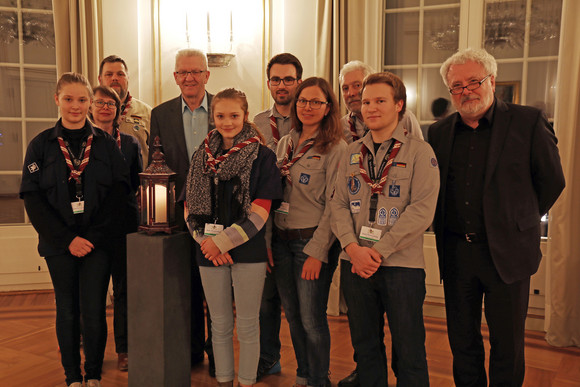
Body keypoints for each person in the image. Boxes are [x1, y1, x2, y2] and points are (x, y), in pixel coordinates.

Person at [428, 48, 565, 386]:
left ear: (492, 81)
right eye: (456, 86)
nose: (466, 91)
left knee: (507, 345)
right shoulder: (438, 132)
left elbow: (552, 180)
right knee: (463, 342)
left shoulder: (527, 122)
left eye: (473, 81)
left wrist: (519, 221)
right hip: (458, 254)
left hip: (509, 253)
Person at [19, 73, 130, 387]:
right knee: (67, 310)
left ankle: (93, 374)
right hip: (59, 245)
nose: (76, 106)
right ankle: (72, 377)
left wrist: (91, 239)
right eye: (69, 99)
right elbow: (33, 198)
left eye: (82, 100)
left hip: (97, 243)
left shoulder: (106, 144)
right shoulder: (40, 145)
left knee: (94, 309)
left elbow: (120, 195)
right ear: (57, 100)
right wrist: (68, 240)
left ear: (90, 103)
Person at [331, 72, 438, 386]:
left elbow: (421, 211)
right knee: (364, 348)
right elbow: (337, 205)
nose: (371, 108)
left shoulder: (420, 153)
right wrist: (353, 249)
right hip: (356, 264)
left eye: (380, 100)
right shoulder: (350, 153)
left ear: (399, 105)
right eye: (366, 102)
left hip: (401, 267)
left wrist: (376, 252)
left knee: (408, 351)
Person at [185, 88, 283, 387]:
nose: (227, 122)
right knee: (219, 324)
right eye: (220, 116)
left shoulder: (263, 156)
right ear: (212, 117)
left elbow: (261, 212)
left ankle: (247, 381)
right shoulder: (201, 155)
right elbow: (189, 207)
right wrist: (206, 242)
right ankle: (225, 381)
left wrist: (220, 243)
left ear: (245, 115)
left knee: (249, 326)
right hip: (208, 249)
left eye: (234, 115)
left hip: (248, 251)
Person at [272, 77, 347, 387]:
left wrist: (318, 251)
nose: (307, 107)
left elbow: (335, 206)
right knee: (291, 314)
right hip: (280, 239)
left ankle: (319, 379)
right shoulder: (285, 142)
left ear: (328, 107)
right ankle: (304, 374)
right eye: (303, 101)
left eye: (316, 102)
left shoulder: (336, 148)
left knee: (312, 318)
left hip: (311, 241)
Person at [149, 48, 215, 375]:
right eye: (182, 72)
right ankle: (190, 353)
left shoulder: (226, 109)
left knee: (217, 289)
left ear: (207, 74)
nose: (189, 77)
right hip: (177, 218)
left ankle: (219, 358)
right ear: (175, 77)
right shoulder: (160, 114)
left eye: (195, 71)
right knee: (185, 287)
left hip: (218, 217)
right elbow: (155, 167)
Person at [252, 52, 303, 380]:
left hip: (300, 220)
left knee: (300, 307)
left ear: (298, 81)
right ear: (268, 82)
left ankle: (309, 367)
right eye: (275, 79)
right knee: (264, 301)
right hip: (261, 220)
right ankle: (269, 358)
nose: (281, 85)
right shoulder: (255, 122)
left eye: (288, 79)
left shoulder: (310, 119)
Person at [90, 85, 143, 372]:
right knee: (94, 290)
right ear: (91, 107)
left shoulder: (131, 144)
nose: (105, 108)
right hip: (92, 228)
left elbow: (136, 184)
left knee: (124, 291)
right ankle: (93, 349)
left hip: (124, 225)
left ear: (119, 109)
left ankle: (124, 349)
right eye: (100, 102)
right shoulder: (82, 141)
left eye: (111, 103)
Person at [339, 60, 423, 144]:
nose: (350, 93)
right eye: (345, 88)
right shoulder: (341, 127)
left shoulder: (403, 118)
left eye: (357, 85)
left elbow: (420, 150)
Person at [98, 55, 151, 166]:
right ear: (100, 79)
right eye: (109, 74)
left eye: (120, 74)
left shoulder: (148, 113)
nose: (115, 78)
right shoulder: (89, 112)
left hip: (137, 181)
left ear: (127, 78)